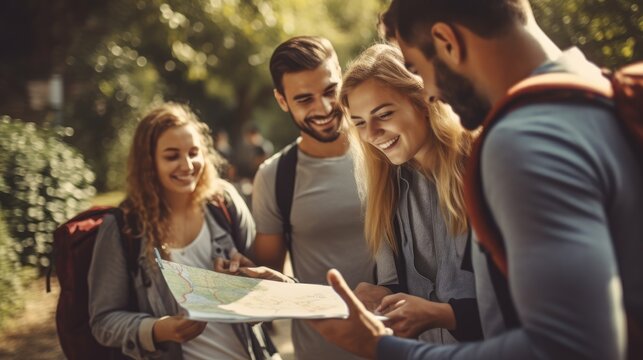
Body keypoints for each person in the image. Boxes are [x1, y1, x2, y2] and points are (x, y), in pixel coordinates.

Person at [309, 0, 643, 359]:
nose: (432, 93)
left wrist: (383, 347)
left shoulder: (522, 140)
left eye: (417, 68)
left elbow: (569, 347)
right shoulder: (600, 95)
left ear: (446, 41)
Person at [88, 102, 261, 360]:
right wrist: (157, 330)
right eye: (172, 156)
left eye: (194, 152)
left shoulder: (224, 203)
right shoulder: (123, 227)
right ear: (148, 163)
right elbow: (103, 321)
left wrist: (249, 276)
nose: (187, 165)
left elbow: (264, 279)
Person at [343, 43, 481, 343]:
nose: (371, 134)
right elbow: (405, 290)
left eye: (383, 114)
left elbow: (522, 302)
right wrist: (385, 294)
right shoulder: (385, 188)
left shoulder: (481, 168)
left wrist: (444, 314)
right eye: (360, 123)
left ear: (423, 101)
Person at [251, 35, 375, 360]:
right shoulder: (274, 176)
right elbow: (270, 281)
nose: (323, 108)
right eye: (304, 99)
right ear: (282, 100)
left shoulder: (385, 150)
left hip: (404, 346)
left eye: (330, 91)